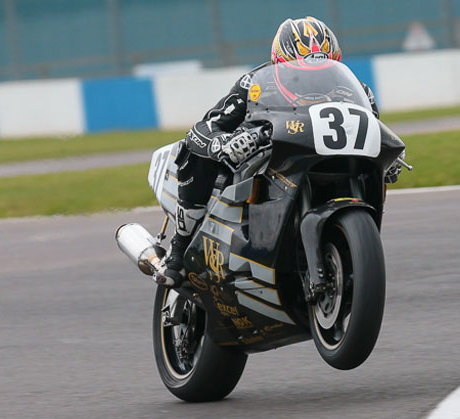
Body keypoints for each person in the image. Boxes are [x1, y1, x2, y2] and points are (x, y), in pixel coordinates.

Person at [157, 16, 403, 287]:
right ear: (280, 63)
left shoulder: (357, 90)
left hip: (323, 164)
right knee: (193, 151)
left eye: (322, 68)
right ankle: (178, 250)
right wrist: (222, 143)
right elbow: (205, 127)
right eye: (303, 70)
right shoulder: (255, 84)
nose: (312, 75)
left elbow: (370, 126)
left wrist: (385, 155)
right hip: (263, 164)